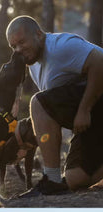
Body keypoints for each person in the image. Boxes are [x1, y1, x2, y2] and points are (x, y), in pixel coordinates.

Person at [6, 16, 103, 196]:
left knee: (38, 101)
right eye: (13, 46)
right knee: (76, 178)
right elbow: (55, 108)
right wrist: (25, 129)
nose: (18, 50)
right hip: (94, 118)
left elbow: (100, 61)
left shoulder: (61, 46)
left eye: (21, 42)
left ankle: (51, 179)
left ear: (38, 34)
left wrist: (84, 109)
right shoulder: (33, 64)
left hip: (95, 106)